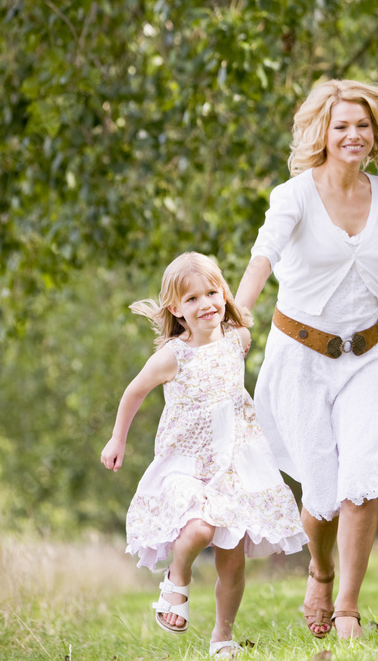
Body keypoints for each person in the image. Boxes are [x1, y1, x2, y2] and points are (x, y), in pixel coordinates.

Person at [235, 79, 378, 640]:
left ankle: (347, 607)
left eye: (363, 126)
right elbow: (262, 258)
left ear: (376, 135)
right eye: (342, 125)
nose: (353, 135)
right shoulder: (294, 195)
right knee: (321, 497)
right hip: (299, 358)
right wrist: (239, 315)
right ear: (323, 133)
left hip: (367, 357)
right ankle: (320, 571)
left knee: (363, 481)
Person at [100, 252, 308, 658]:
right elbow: (134, 391)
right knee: (199, 529)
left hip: (235, 465)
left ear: (224, 294)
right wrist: (117, 439)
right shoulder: (172, 356)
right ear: (176, 309)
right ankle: (177, 578)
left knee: (232, 563)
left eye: (212, 293)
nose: (206, 304)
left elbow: (256, 287)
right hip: (187, 462)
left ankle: (223, 635)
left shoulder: (239, 341)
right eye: (192, 299)